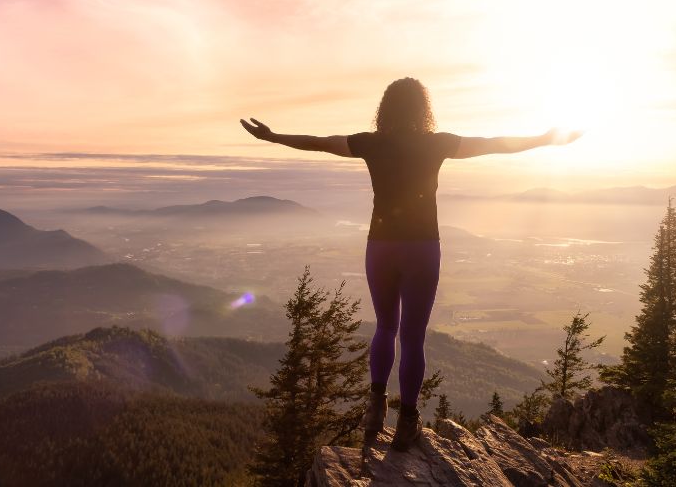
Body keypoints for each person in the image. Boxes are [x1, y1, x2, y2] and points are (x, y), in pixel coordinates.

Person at [241, 77, 580, 451]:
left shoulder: (370, 143)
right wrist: (545, 139)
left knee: (385, 327)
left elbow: (318, 143)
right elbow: (493, 145)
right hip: (422, 248)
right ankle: (407, 422)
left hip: (380, 247)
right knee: (413, 337)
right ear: (424, 109)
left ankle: (374, 408)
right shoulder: (437, 144)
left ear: (385, 109)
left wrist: (274, 137)